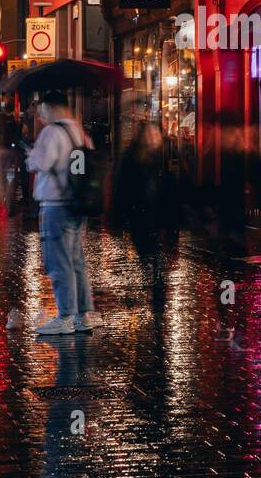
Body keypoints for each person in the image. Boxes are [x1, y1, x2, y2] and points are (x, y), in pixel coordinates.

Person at [18, 91, 95, 336]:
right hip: (76, 204)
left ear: (51, 107)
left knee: (58, 262)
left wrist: (30, 153)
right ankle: (83, 315)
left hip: (55, 204)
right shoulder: (78, 131)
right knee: (76, 262)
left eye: (41, 108)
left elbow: (38, 163)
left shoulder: (52, 132)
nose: (39, 114)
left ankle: (64, 316)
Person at [113, 121, 167, 276]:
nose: (154, 137)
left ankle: (156, 287)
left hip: (156, 214)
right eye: (150, 134)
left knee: (156, 255)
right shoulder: (131, 157)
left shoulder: (160, 156)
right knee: (148, 252)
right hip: (138, 214)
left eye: (156, 134)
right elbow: (121, 188)